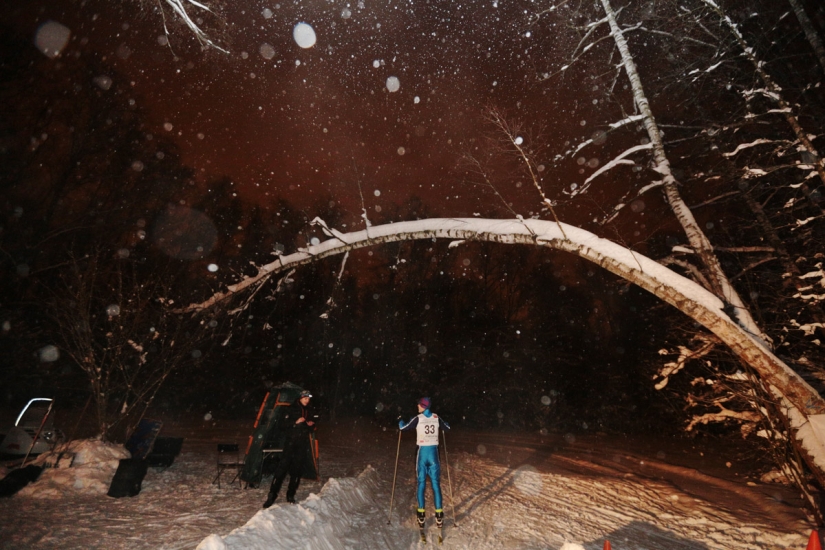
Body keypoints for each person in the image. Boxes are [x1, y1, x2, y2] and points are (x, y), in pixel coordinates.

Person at [398, 396, 450, 529]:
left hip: (422, 455)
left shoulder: (418, 419)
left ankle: (421, 515)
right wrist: (444, 424)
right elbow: (448, 427)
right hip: (434, 456)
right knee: (435, 485)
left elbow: (404, 428)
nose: (417, 406)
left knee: (421, 484)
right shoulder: (436, 417)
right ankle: (439, 516)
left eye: (419, 405)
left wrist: (400, 422)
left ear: (423, 406)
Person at [263, 390, 317, 508]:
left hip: (302, 444)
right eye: (305, 398)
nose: (307, 401)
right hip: (290, 443)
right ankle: (272, 495)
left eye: (308, 399)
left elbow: (313, 426)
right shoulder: (291, 408)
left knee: (297, 470)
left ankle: (291, 494)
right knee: (281, 469)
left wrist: (311, 425)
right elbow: (282, 425)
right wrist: (295, 422)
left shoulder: (309, 410)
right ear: (300, 397)